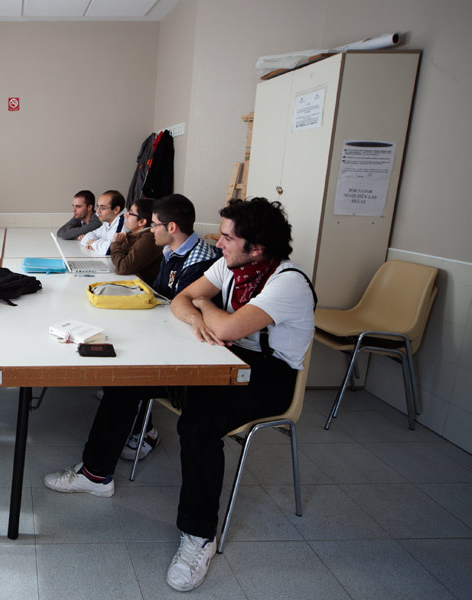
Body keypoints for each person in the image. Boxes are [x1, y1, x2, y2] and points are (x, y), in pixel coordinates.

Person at [165, 197, 315, 591]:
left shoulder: (287, 282)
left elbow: (228, 329)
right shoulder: (230, 264)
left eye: (228, 237)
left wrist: (203, 304)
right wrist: (198, 312)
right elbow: (181, 299)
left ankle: (199, 536)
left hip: (272, 377)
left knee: (197, 427)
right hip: (226, 358)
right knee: (137, 378)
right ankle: (96, 472)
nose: (218, 243)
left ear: (257, 247)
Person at [44, 193, 219, 494]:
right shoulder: (173, 250)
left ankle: (96, 475)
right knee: (118, 369)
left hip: (191, 356)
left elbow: (182, 305)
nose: (151, 230)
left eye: (155, 225)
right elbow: (166, 299)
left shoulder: (200, 261)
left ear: (172, 227)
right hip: (170, 337)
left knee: (122, 381)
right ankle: (143, 432)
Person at [109, 196, 163, 283]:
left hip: (147, 288)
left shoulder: (148, 238)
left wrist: (115, 243)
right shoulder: (132, 234)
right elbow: (117, 259)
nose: (125, 215)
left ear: (142, 222)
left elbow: (122, 267)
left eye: (130, 213)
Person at [80, 190, 127, 255]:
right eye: (98, 207)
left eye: (103, 208)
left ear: (116, 209)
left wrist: (93, 243)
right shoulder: (108, 222)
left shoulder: (123, 222)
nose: (98, 211)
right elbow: (85, 238)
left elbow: (109, 249)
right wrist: (98, 244)